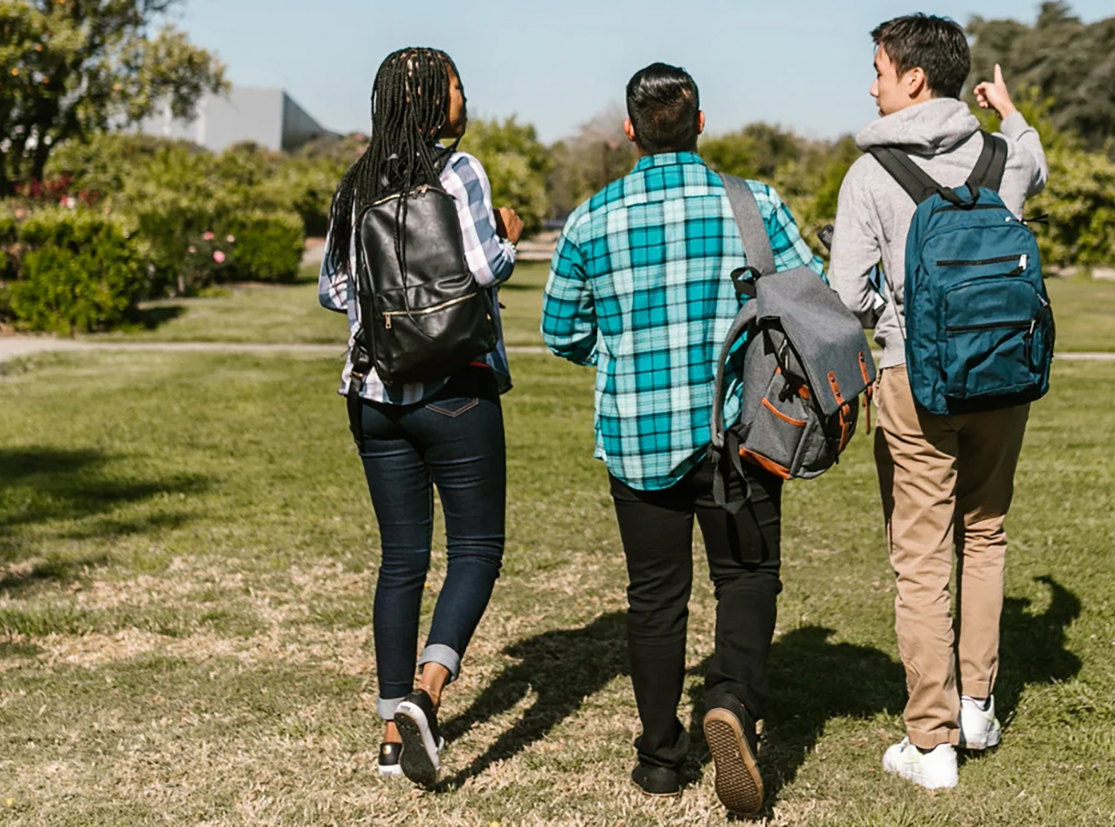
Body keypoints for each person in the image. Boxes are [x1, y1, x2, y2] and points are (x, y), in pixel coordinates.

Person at [541, 63, 821, 817]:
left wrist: (621, 354)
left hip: (639, 436)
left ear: (629, 130)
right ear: (700, 122)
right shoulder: (753, 204)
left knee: (655, 598)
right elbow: (810, 296)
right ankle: (730, 699)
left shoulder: (591, 218)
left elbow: (560, 331)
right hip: (741, 432)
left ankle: (662, 758)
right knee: (748, 576)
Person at [824, 14, 1049, 790]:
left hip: (913, 382)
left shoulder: (870, 174)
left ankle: (931, 740)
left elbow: (847, 295)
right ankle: (978, 705)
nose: (873, 83)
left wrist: (896, 310)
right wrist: (1009, 110)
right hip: (1003, 376)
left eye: (880, 69)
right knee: (985, 534)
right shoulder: (1000, 154)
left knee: (920, 558)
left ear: (913, 78)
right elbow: (1036, 165)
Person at [317, 46, 526, 788]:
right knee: (477, 547)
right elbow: (480, 268)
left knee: (401, 559)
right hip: (454, 387)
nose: (465, 98)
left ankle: (385, 734)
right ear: (437, 103)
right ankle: (426, 698)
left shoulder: (353, 185)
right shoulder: (458, 172)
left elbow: (335, 290)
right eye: (458, 87)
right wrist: (508, 231)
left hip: (373, 394)